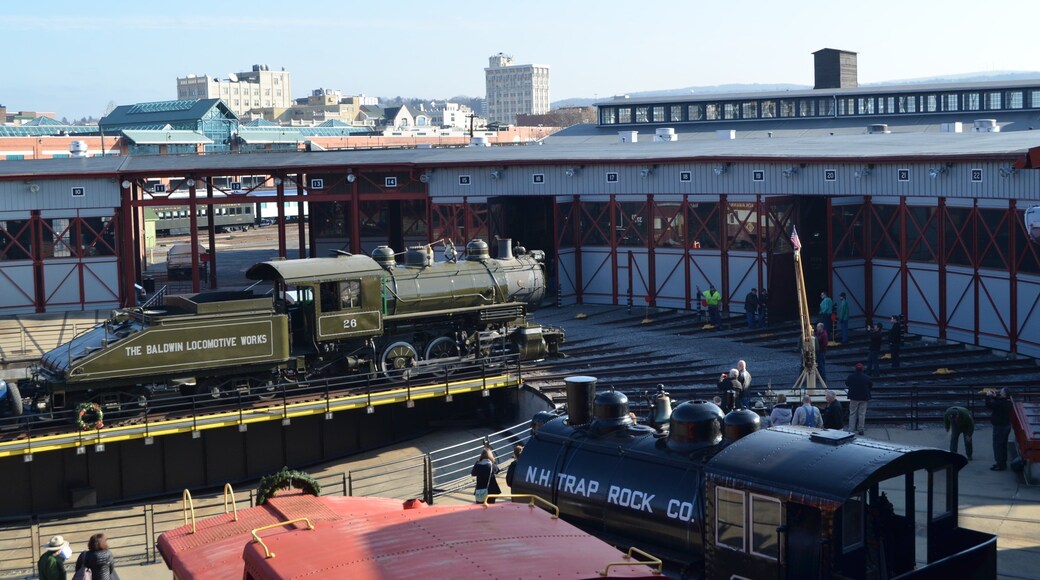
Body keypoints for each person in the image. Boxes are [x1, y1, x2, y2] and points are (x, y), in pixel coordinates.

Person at [986, 388, 1013, 471]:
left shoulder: (1001, 403)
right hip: (1006, 426)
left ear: (1004, 394)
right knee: (1003, 445)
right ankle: (1002, 463)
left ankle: (999, 465)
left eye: (1001, 392)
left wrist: (988, 396)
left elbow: (989, 405)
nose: (999, 392)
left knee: (997, 446)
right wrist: (995, 397)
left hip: (999, 427)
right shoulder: (1009, 401)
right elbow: (1000, 401)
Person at [845, 363, 872, 435]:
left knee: (852, 413)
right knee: (862, 414)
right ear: (862, 369)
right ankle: (861, 429)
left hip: (854, 397)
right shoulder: (866, 377)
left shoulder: (851, 376)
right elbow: (870, 385)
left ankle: (851, 429)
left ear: (855, 369)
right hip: (864, 397)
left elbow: (847, 383)